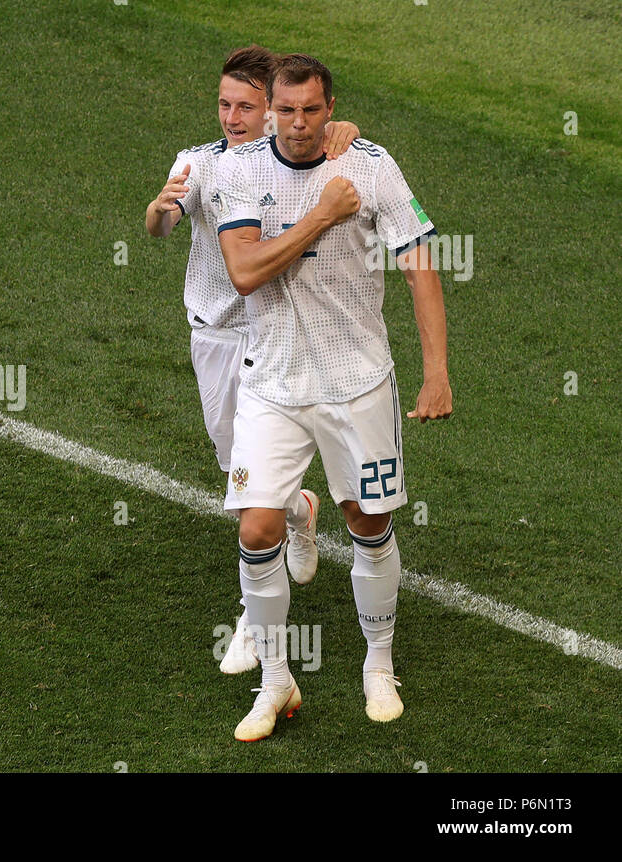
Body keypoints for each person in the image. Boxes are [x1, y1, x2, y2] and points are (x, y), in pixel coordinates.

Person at [214, 54, 452, 740]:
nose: (296, 125)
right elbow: (246, 274)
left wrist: (436, 371)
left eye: (311, 110)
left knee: (366, 521)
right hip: (274, 384)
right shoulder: (239, 172)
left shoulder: (372, 163)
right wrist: (321, 214)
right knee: (257, 528)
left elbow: (419, 267)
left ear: (330, 107)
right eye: (283, 111)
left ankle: (378, 662)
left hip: (358, 383)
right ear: (268, 112)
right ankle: (275, 681)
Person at [145, 45, 361, 674]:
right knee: (230, 463)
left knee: (247, 488)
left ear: (272, 110)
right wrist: (158, 211)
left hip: (275, 337)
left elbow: (329, 133)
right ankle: (301, 512)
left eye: (245, 105)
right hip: (214, 335)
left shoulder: (295, 153)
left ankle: (254, 622)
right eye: (223, 104)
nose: (231, 117)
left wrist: (344, 131)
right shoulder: (200, 162)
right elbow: (159, 226)